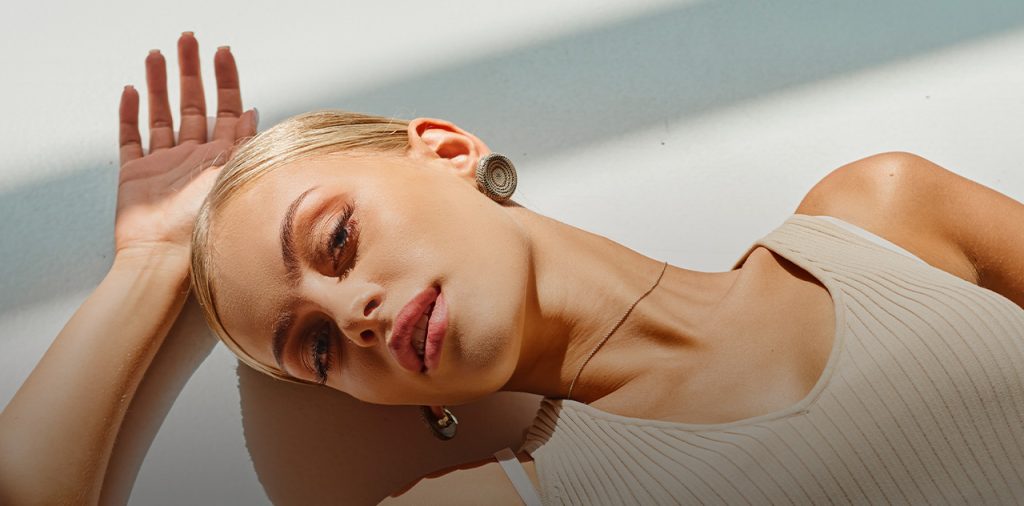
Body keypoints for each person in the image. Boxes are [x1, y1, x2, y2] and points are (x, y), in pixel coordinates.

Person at [2, 31, 1023, 506]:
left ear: (447, 149)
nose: (352, 316)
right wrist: (147, 266)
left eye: (336, 241)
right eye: (314, 347)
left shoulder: (888, 213)